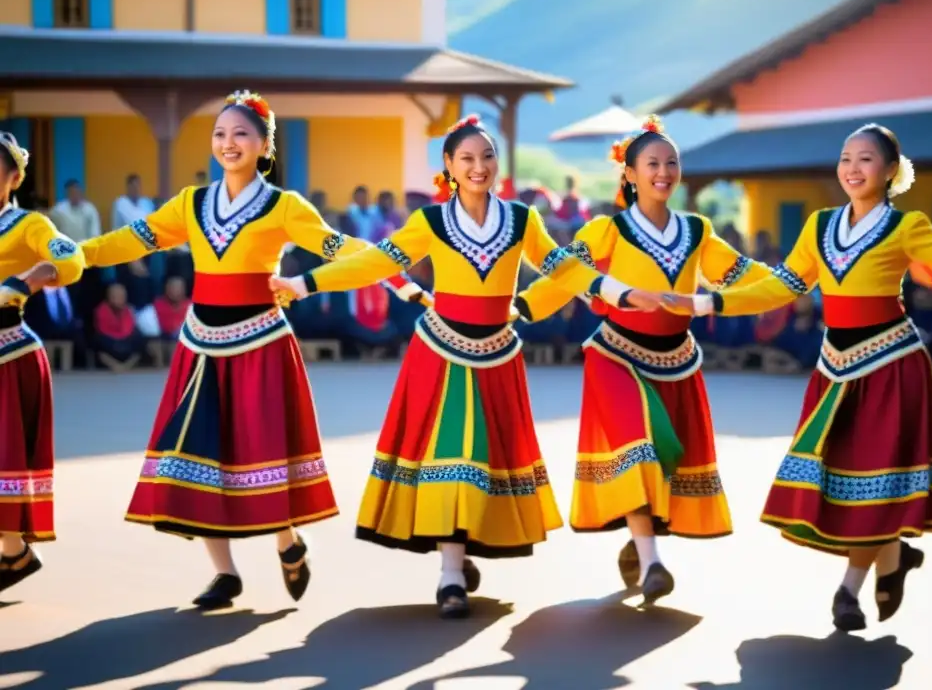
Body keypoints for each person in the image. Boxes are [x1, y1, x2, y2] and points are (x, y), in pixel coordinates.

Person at [269, 114, 670, 619]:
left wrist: (619, 292)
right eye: (467, 159)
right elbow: (378, 261)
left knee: (484, 463)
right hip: (442, 353)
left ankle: (461, 553)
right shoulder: (431, 223)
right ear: (449, 168)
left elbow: (563, 267)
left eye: (487, 157)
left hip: (498, 354)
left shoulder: (522, 220)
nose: (479, 167)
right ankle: (450, 575)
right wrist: (304, 284)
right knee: (451, 459)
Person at [79, 91, 428, 611]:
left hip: (259, 341)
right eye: (219, 134)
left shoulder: (284, 206)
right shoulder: (191, 204)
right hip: (200, 344)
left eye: (240, 134)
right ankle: (224, 574)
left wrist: (398, 279)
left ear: (265, 144)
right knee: (198, 452)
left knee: (262, 452)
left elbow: (339, 248)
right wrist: (72, 254)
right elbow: (133, 239)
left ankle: (287, 541)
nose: (228, 143)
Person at [670, 123, 932, 631]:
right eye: (845, 158)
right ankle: (892, 559)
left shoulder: (907, 226)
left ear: (890, 172)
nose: (853, 169)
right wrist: (708, 300)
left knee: (872, 478)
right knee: (842, 478)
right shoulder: (817, 227)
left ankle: (847, 592)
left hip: (890, 365)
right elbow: (781, 285)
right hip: (834, 367)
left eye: (865, 159)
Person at [513, 115, 769, 606]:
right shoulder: (608, 230)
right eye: (652, 163)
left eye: (672, 163)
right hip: (617, 356)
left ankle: (640, 543)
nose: (664, 172)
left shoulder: (698, 231)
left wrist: (797, 280)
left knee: (665, 458)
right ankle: (652, 564)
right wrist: (520, 307)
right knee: (638, 450)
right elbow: (566, 272)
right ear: (629, 173)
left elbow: (742, 274)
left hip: (676, 361)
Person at [0, 131, 85, 594]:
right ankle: (14, 553)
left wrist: (29, 278)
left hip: (8, 353)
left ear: (14, 177)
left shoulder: (26, 225)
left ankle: (13, 548)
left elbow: (70, 259)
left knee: (4, 454)